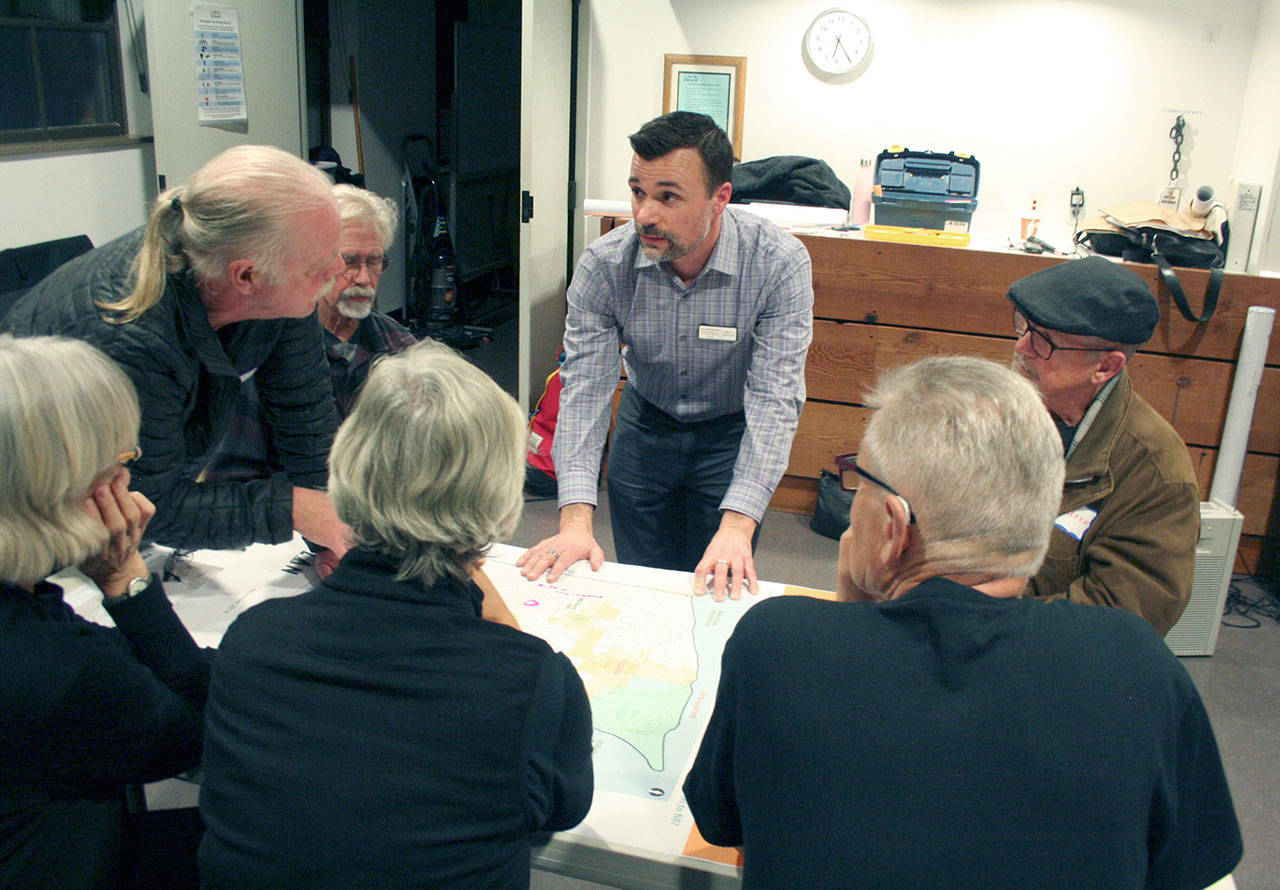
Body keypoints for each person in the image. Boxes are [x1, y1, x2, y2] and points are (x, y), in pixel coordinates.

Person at [682, 356, 1241, 889]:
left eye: (860, 482)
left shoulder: (778, 644)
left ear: (895, 526)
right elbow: (1184, 866)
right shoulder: (1136, 662)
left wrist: (852, 596)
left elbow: (724, 823)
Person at [198, 340, 594, 889]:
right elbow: (563, 810)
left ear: (348, 468)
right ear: (500, 499)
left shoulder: (253, 641)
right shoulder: (528, 681)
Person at [519, 111, 813, 600]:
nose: (644, 215)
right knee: (645, 584)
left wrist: (739, 525)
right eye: (638, 192)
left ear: (720, 198)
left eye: (667, 197)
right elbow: (584, 390)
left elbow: (775, 397)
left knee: (718, 584)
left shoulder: (777, 263)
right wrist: (574, 518)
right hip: (645, 426)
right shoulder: (604, 265)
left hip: (730, 433)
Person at [4, 144, 350, 561]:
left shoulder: (282, 289)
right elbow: (145, 503)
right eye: (319, 266)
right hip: (36, 514)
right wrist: (290, 508)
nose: (337, 272)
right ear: (246, 275)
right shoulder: (128, 337)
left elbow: (305, 412)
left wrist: (333, 536)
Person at [0, 335, 210, 889]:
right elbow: (197, 732)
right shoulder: (53, 668)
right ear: (65, 482)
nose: (128, 480)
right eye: (121, 460)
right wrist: (123, 577)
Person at [1007, 256, 1200, 634]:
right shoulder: (1001, 407)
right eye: (1023, 325)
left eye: (1044, 341)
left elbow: (1118, 618)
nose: (1022, 346)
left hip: (1043, 667)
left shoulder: (1155, 476)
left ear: (1106, 368)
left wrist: (980, 619)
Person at [318, 184, 417, 417]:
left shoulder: (398, 346)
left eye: (374, 261)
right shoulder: (280, 344)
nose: (364, 279)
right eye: (349, 262)